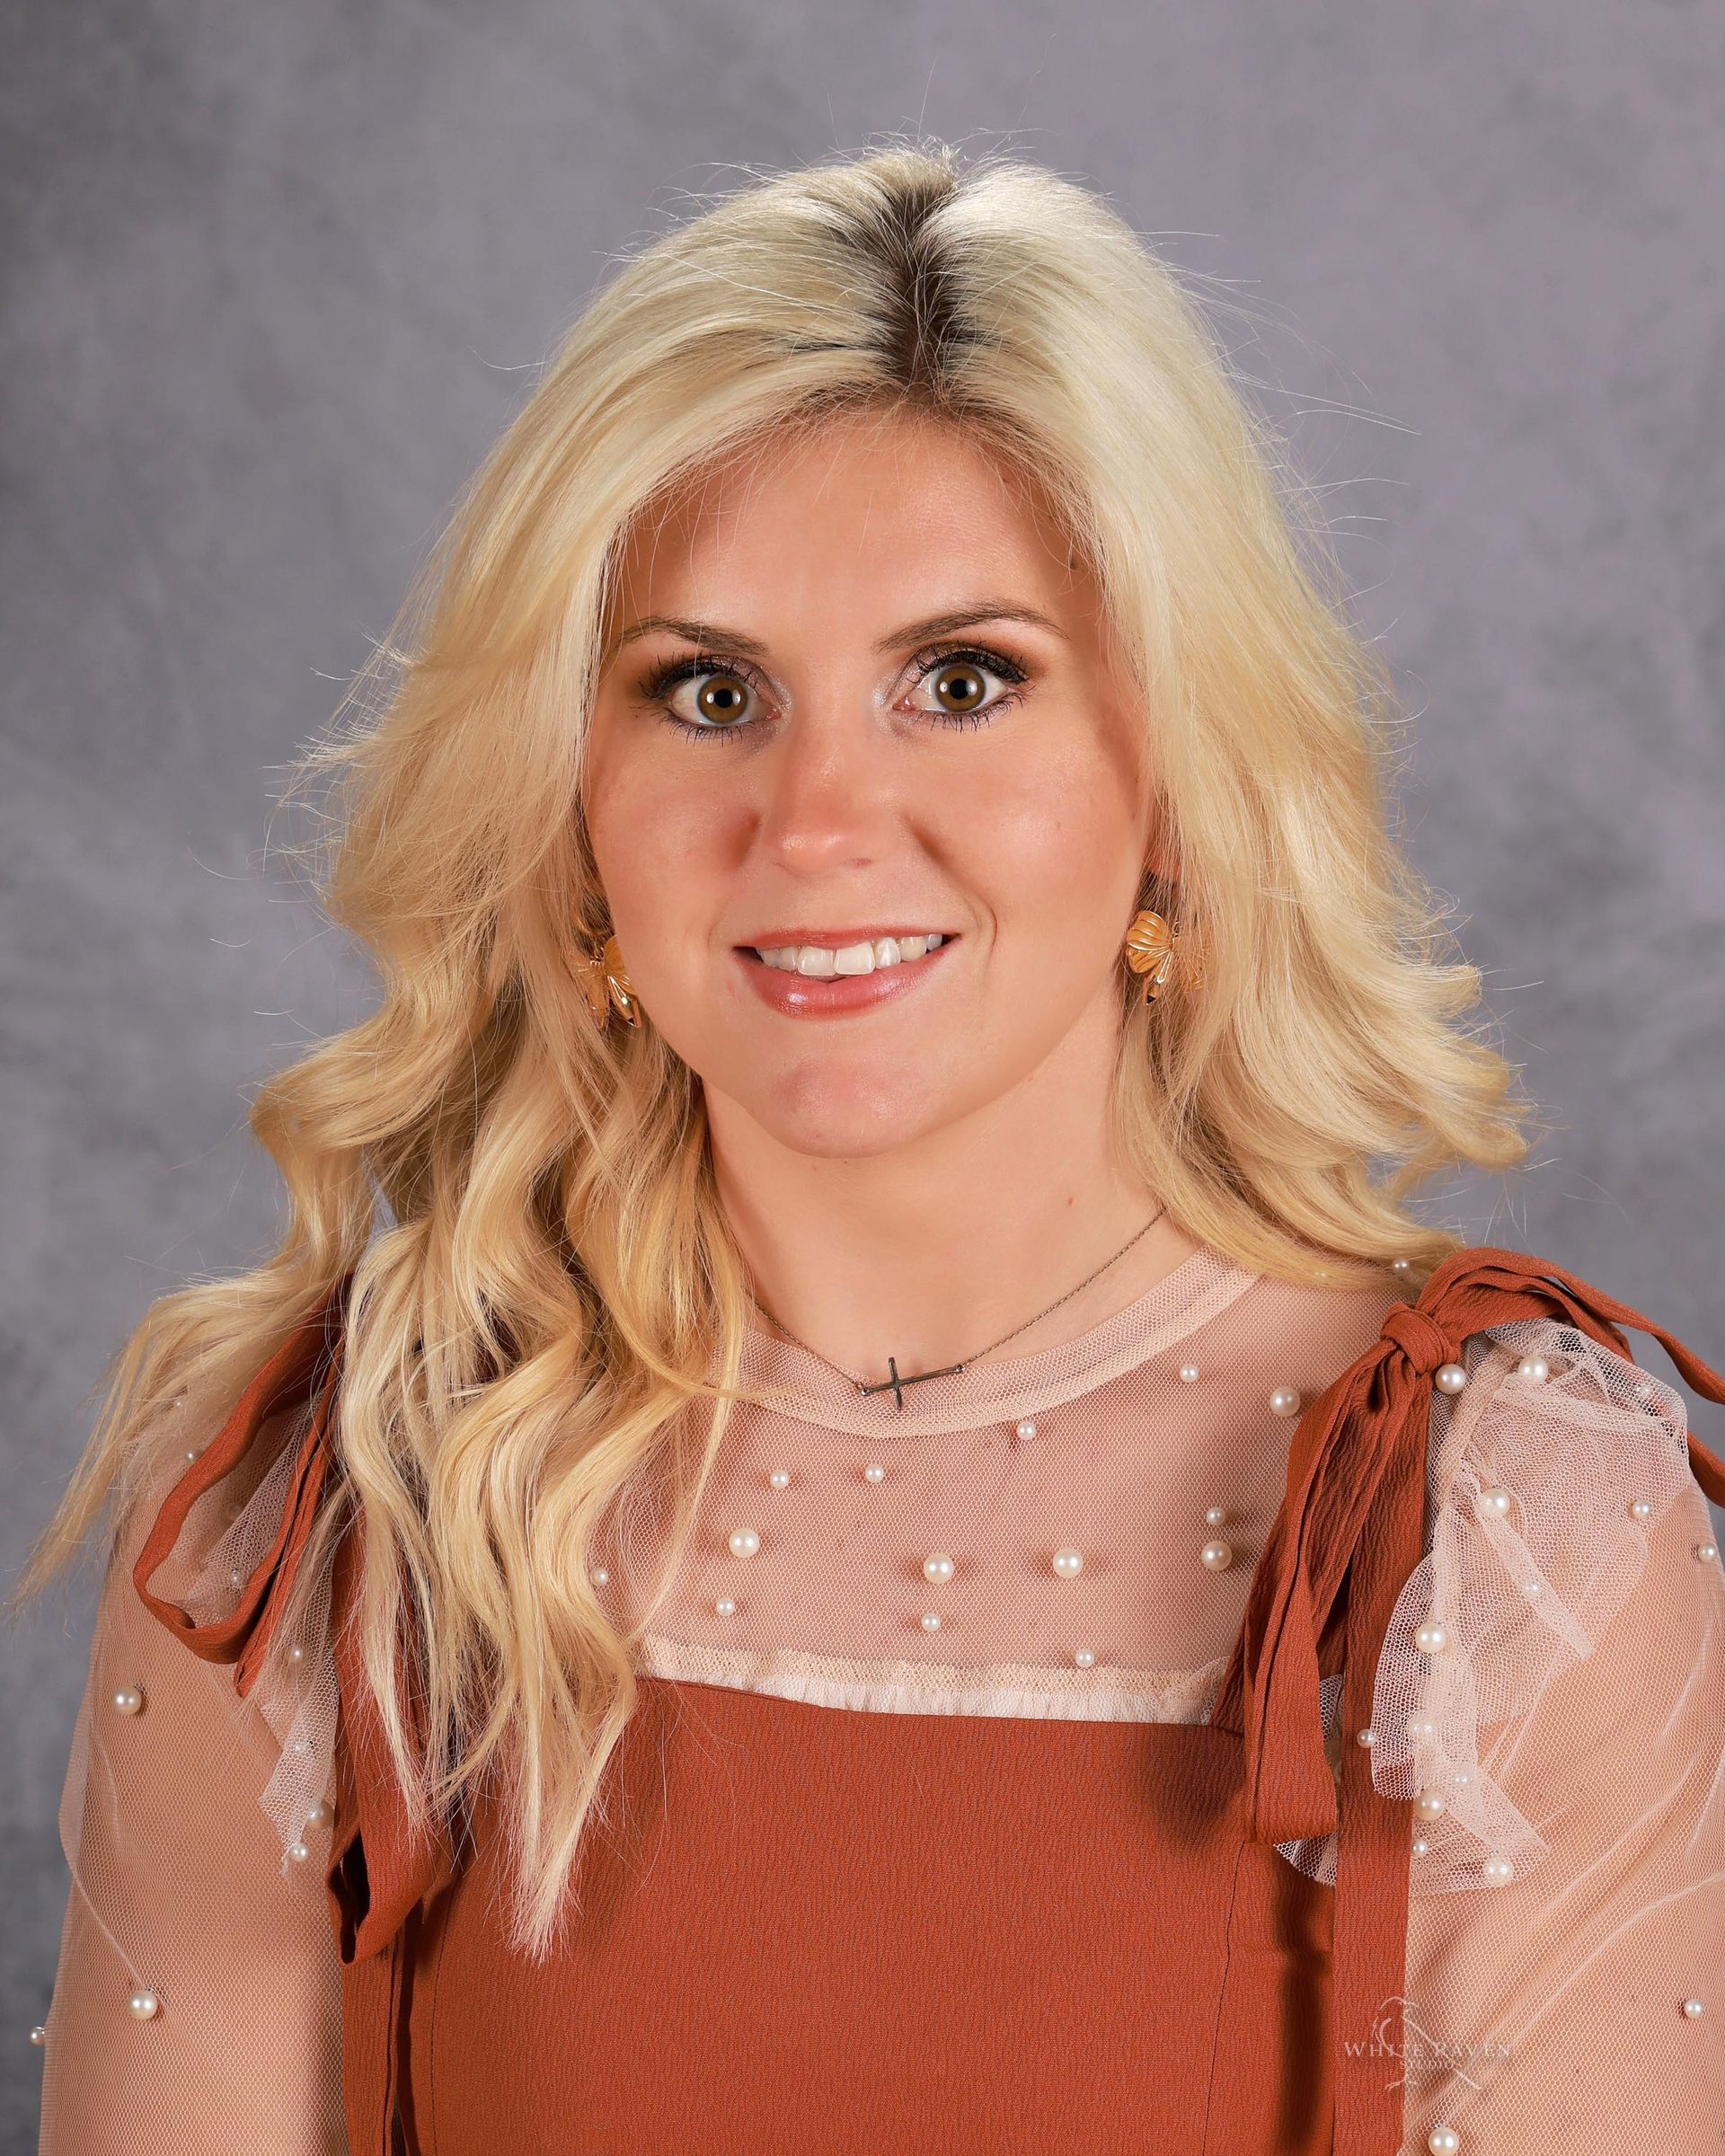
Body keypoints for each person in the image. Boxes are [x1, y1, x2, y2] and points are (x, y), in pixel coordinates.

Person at [13, 139, 1723, 2156]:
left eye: (963, 680)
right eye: (707, 690)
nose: (818, 822)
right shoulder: (320, 1503)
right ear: (570, 801)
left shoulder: (1497, 1525)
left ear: (1178, 777)